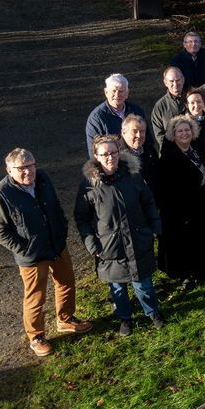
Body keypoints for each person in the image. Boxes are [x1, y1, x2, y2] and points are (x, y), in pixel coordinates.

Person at [0, 149, 92, 357]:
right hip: (33, 255)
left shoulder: (43, 178)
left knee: (66, 281)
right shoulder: (1, 194)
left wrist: (61, 228)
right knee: (35, 296)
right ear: (9, 170)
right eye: (22, 169)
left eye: (31, 166)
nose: (28, 172)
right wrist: (25, 247)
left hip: (56, 244)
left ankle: (65, 319)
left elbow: (55, 206)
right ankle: (36, 336)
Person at [74, 135, 164, 336]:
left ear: (119, 153)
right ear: (96, 156)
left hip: (138, 238)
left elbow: (148, 201)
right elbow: (81, 218)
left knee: (144, 283)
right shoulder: (88, 186)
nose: (110, 157)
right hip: (109, 246)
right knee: (117, 288)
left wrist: (154, 227)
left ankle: (153, 312)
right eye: (104, 154)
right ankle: (125, 318)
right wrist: (92, 244)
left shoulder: (133, 176)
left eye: (113, 152)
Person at [157, 115, 205, 283]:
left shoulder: (197, 149)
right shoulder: (168, 157)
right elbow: (167, 188)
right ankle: (189, 274)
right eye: (180, 131)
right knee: (187, 242)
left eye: (187, 130)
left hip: (203, 203)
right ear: (173, 134)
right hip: (183, 208)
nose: (184, 133)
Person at [85, 73, 146, 157]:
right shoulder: (96, 119)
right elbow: (94, 153)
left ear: (127, 93)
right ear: (106, 92)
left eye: (121, 91)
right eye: (113, 91)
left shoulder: (136, 111)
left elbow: (147, 141)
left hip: (139, 160)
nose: (117, 95)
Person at [120, 114, 160, 197]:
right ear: (123, 133)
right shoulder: (117, 156)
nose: (139, 135)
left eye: (142, 131)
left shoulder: (150, 150)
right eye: (134, 131)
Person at [150, 67, 186, 151]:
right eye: (171, 81)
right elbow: (159, 135)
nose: (175, 84)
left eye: (178, 80)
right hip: (171, 153)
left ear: (183, 80)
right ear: (165, 83)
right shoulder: (159, 107)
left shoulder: (192, 100)